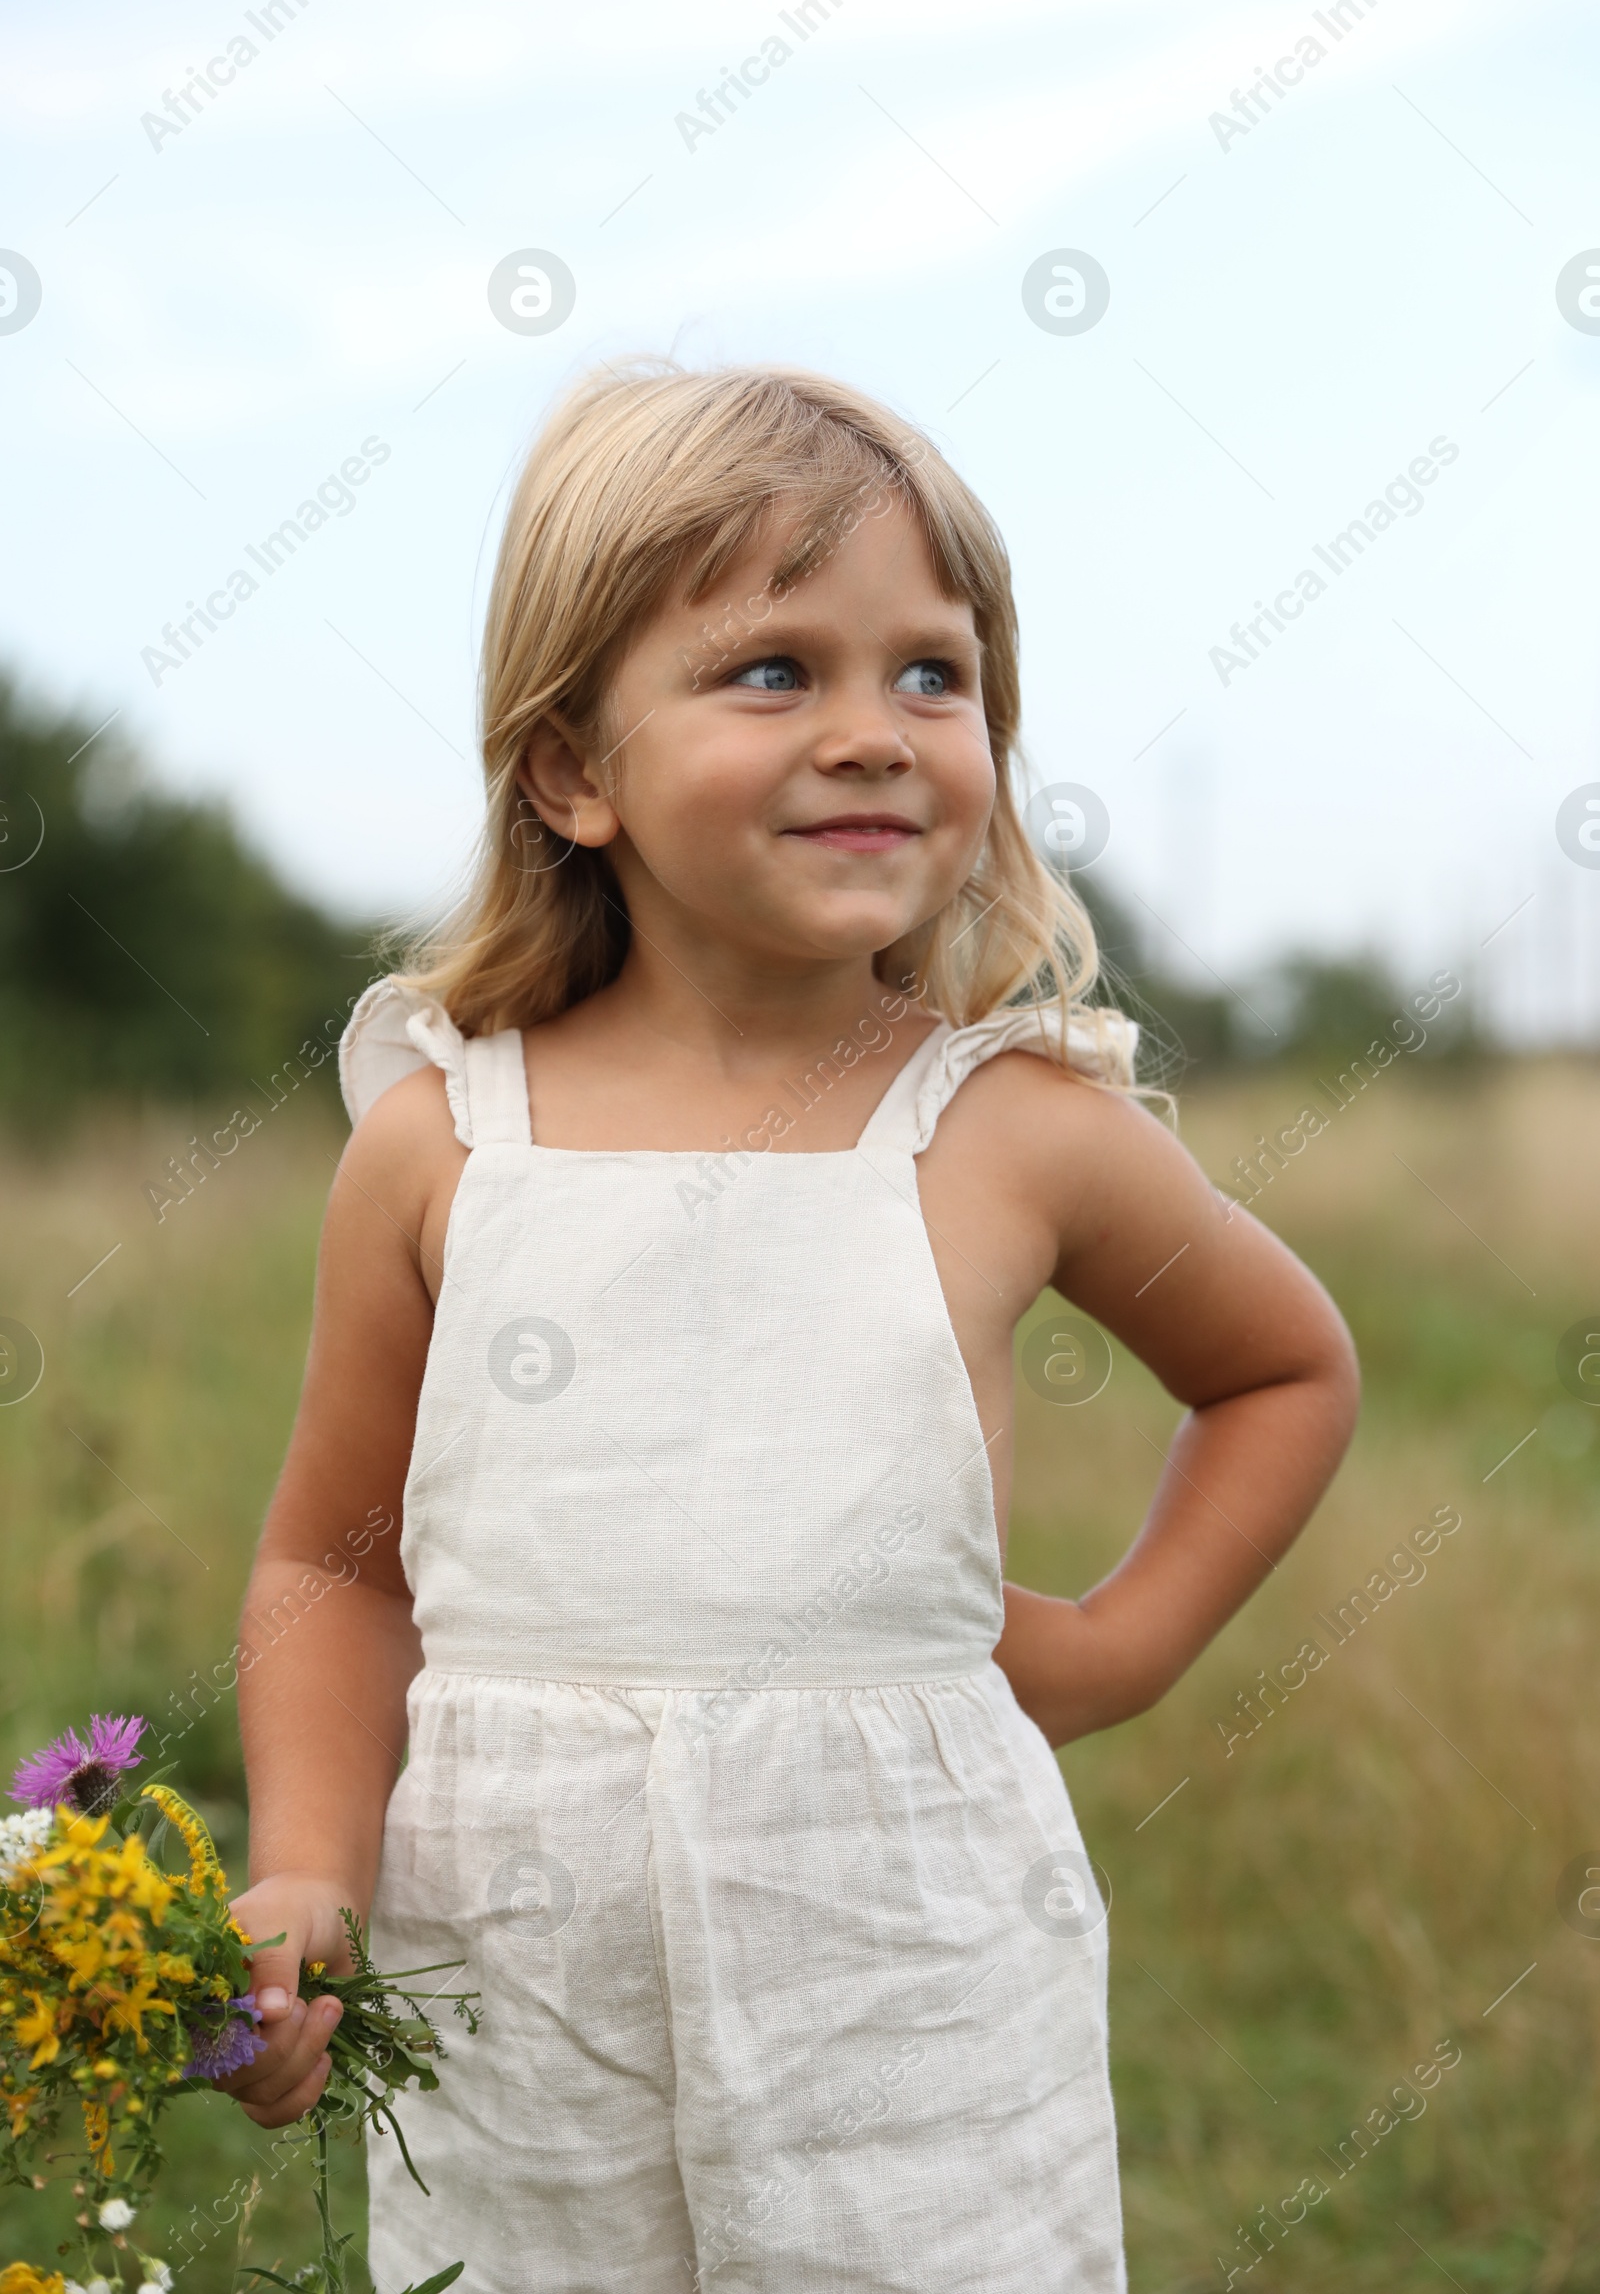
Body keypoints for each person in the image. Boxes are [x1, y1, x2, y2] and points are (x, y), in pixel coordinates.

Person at [222, 361, 1358, 2291]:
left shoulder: (1012, 1130)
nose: (877, 734)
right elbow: (333, 1561)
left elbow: (1281, 1368)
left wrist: (1111, 1652)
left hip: (906, 1983)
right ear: (574, 768)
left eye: (935, 672)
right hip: (519, 1968)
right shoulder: (442, 1146)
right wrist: (315, 1855)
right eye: (774, 674)